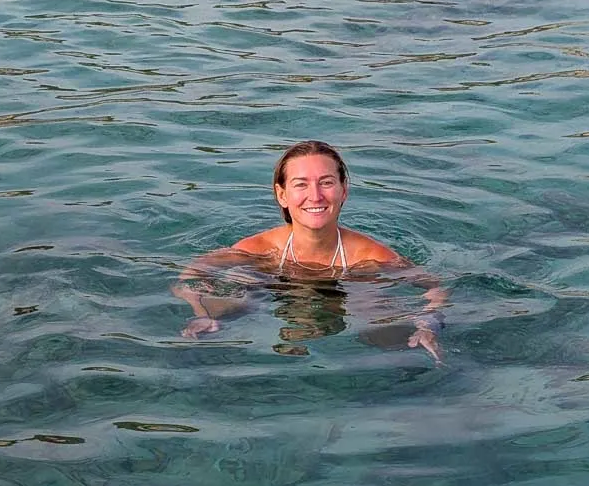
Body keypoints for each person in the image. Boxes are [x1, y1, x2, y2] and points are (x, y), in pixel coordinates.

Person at [174, 140, 445, 362]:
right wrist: (200, 314)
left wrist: (427, 324)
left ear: (343, 191)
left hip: (352, 283)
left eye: (326, 183)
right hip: (270, 281)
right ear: (282, 195)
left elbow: (435, 288)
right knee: (236, 299)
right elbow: (192, 275)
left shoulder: (371, 256)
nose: (315, 196)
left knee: (385, 329)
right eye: (301, 184)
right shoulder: (258, 250)